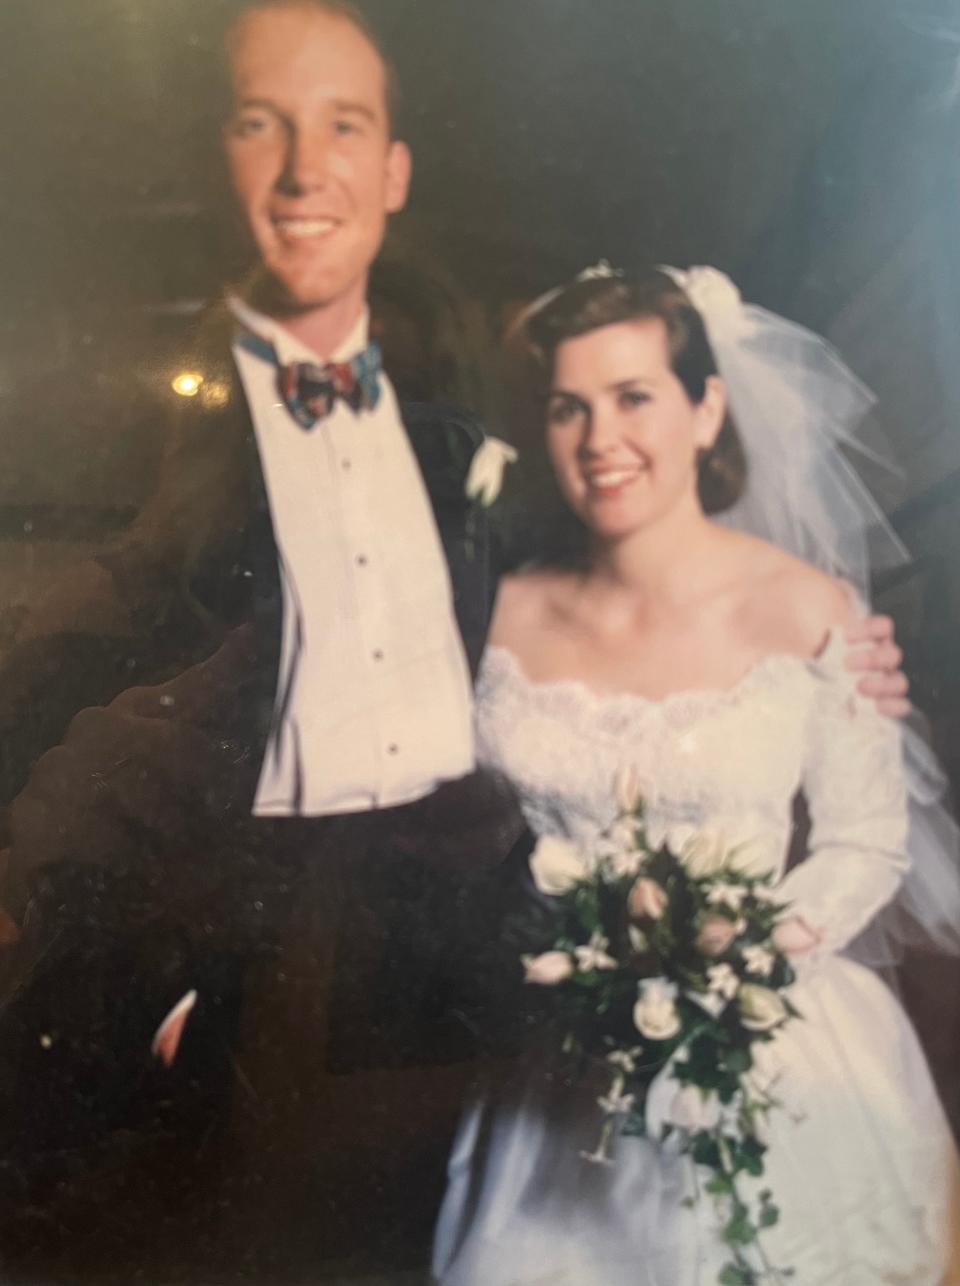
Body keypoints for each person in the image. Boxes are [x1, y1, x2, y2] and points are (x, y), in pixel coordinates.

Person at [432, 265, 960, 1286]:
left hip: (776, 1038)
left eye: (635, 397)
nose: (601, 439)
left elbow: (866, 840)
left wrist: (743, 948)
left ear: (706, 407)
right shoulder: (500, 612)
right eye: (568, 407)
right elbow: (452, 826)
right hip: (570, 1059)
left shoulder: (814, 608)